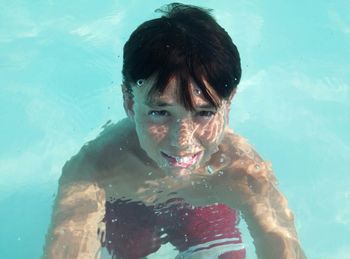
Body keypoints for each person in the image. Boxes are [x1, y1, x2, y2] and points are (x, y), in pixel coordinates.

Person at [43, 3, 306, 259]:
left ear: (229, 103)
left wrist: (256, 204)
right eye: (160, 113)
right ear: (129, 101)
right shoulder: (95, 170)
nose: (182, 141)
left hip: (204, 214)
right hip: (126, 211)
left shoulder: (240, 171)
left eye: (204, 113)